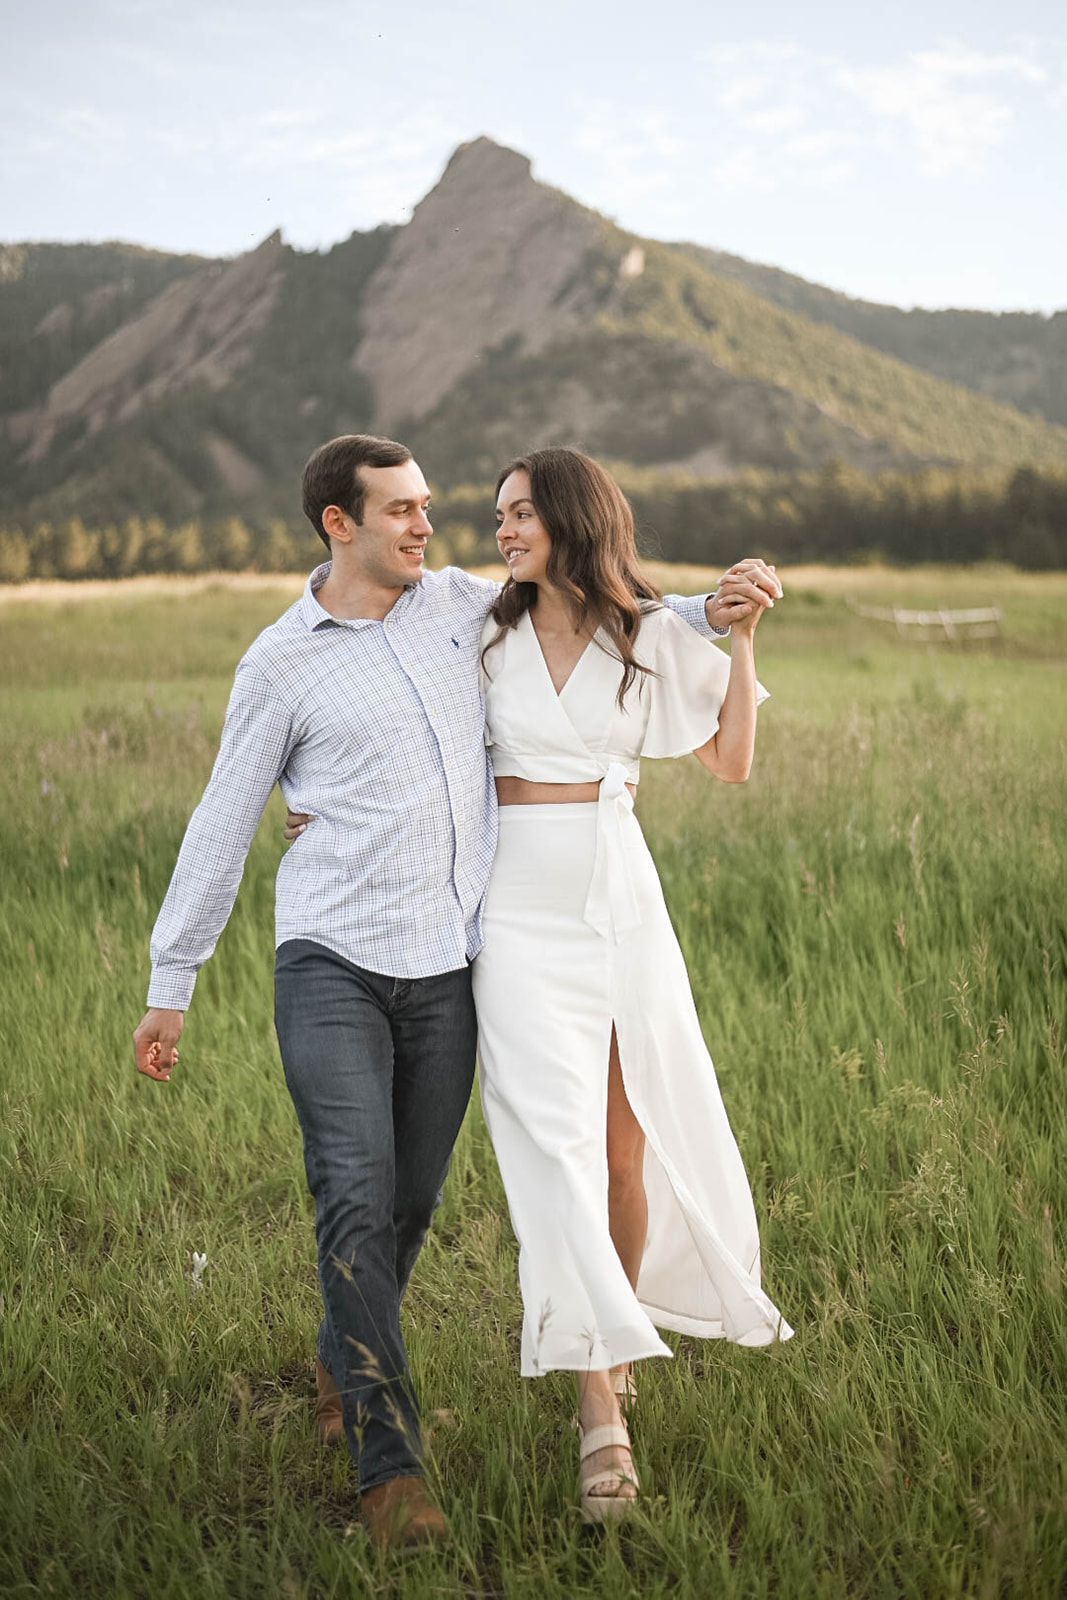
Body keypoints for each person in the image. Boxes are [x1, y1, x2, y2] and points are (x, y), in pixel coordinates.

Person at [132, 433, 773, 1549]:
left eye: (487, 511)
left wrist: (726, 619)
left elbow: (652, 641)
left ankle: (515, 1354)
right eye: (422, 510)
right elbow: (264, 788)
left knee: (522, 1173)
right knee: (450, 1168)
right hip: (421, 933)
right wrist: (186, 956)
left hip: (535, 924)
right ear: (342, 521)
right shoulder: (376, 642)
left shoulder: (539, 617)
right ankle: (486, 1444)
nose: (463, 529)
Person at [473, 448, 793, 1523]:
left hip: (615, 899)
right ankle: (599, 1410)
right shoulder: (478, 628)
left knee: (622, 1146)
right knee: (549, 1145)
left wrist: (738, 638)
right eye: (498, 513)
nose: (502, 528)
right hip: (513, 907)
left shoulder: (645, 634)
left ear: (568, 519)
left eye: (519, 512)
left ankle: (607, 1335)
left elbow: (730, 761)